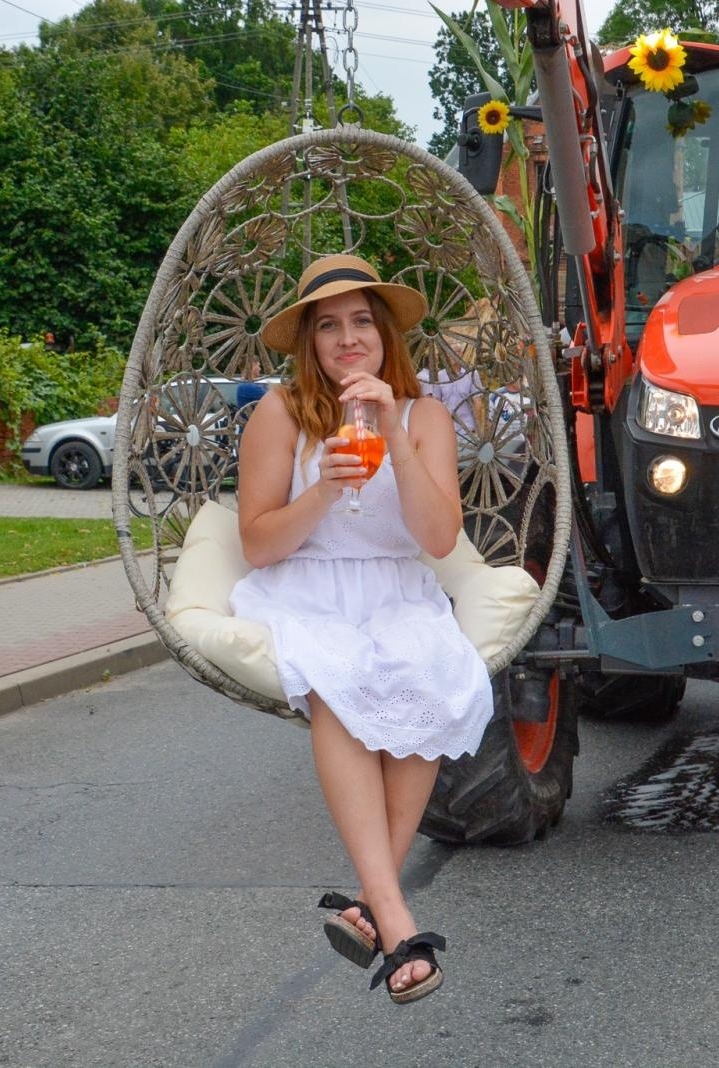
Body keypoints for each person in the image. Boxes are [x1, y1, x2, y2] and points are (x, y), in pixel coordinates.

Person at [230, 254, 492, 1004]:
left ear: (384, 335)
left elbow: (439, 539)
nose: (348, 338)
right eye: (329, 325)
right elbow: (258, 542)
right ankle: (399, 917)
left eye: (361, 322)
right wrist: (324, 491)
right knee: (338, 682)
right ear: (309, 341)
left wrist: (396, 436)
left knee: (437, 682)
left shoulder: (428, 416)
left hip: (399, 591)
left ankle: (368, 910)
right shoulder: (281, 414)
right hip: (307, 588)